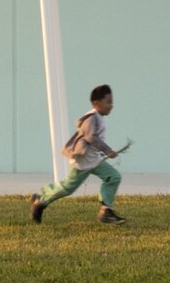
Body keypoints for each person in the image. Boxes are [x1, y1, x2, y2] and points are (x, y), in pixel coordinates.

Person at [30, 84, 126, 224]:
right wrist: (107, 150)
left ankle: (106, 211)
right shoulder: (92, 118)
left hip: (95, 161)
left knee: (113, 177)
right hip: (83, 162)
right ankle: (40, 200)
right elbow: (90, 137)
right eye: (108, 102)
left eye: (112, 102)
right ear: (96, 103)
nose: (111, 105)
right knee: (68, 188)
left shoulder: (99, 117)